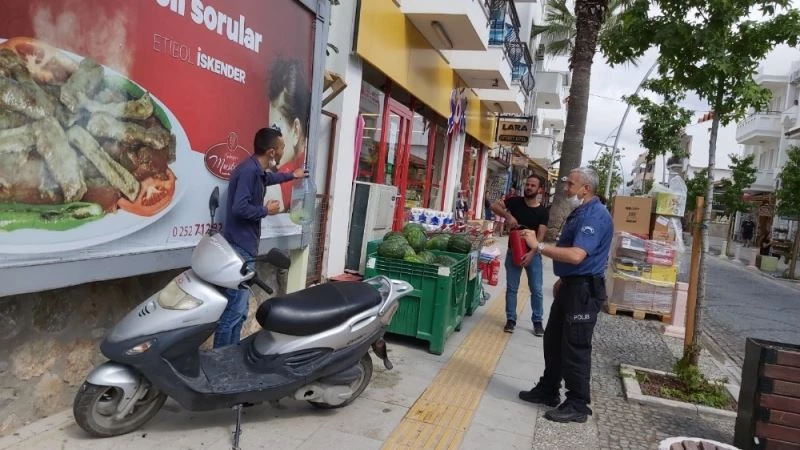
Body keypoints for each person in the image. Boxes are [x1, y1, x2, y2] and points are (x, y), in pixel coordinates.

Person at [516, 167, 613, 424]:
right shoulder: (581, 211)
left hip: (583, 291)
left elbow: (576, 255)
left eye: (570, 184)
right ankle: (549, 389)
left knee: (575, 346)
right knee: (554, 339)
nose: (566, 188)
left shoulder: (594, 216)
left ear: (586, 189)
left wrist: (539, 247)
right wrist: (563, 279)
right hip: (571, 285)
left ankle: (578, 404)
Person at [215, 127, 306, 348]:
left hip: (246, 248)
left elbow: (268, 178)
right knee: (233, 310)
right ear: (271, 152)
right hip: (239, 248)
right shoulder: (248, 171)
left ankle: (231, 356)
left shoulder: (256, 170)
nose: (285, 152)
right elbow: (239, 207)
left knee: (241, 310)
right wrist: (266, 211)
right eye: (282, 148)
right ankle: (219, 360)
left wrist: (290, 176)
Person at [491, 175, 549, 335]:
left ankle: (537, 322)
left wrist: (532, 253)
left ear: (540, 190)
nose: (529, 187)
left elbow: (541, 235)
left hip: (533, 254)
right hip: (513, 251)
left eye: (533, 185)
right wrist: (508, 216)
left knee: (536, 289)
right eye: (527, 184)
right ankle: (511, 320)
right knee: (511, 288)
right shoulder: (515, 201)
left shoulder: (543, 211)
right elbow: (494, 206)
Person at [263, 57, 310, 213]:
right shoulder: (309, 162)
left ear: (296, 130)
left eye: (276, 130)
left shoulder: (276, 186)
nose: (270, 143)